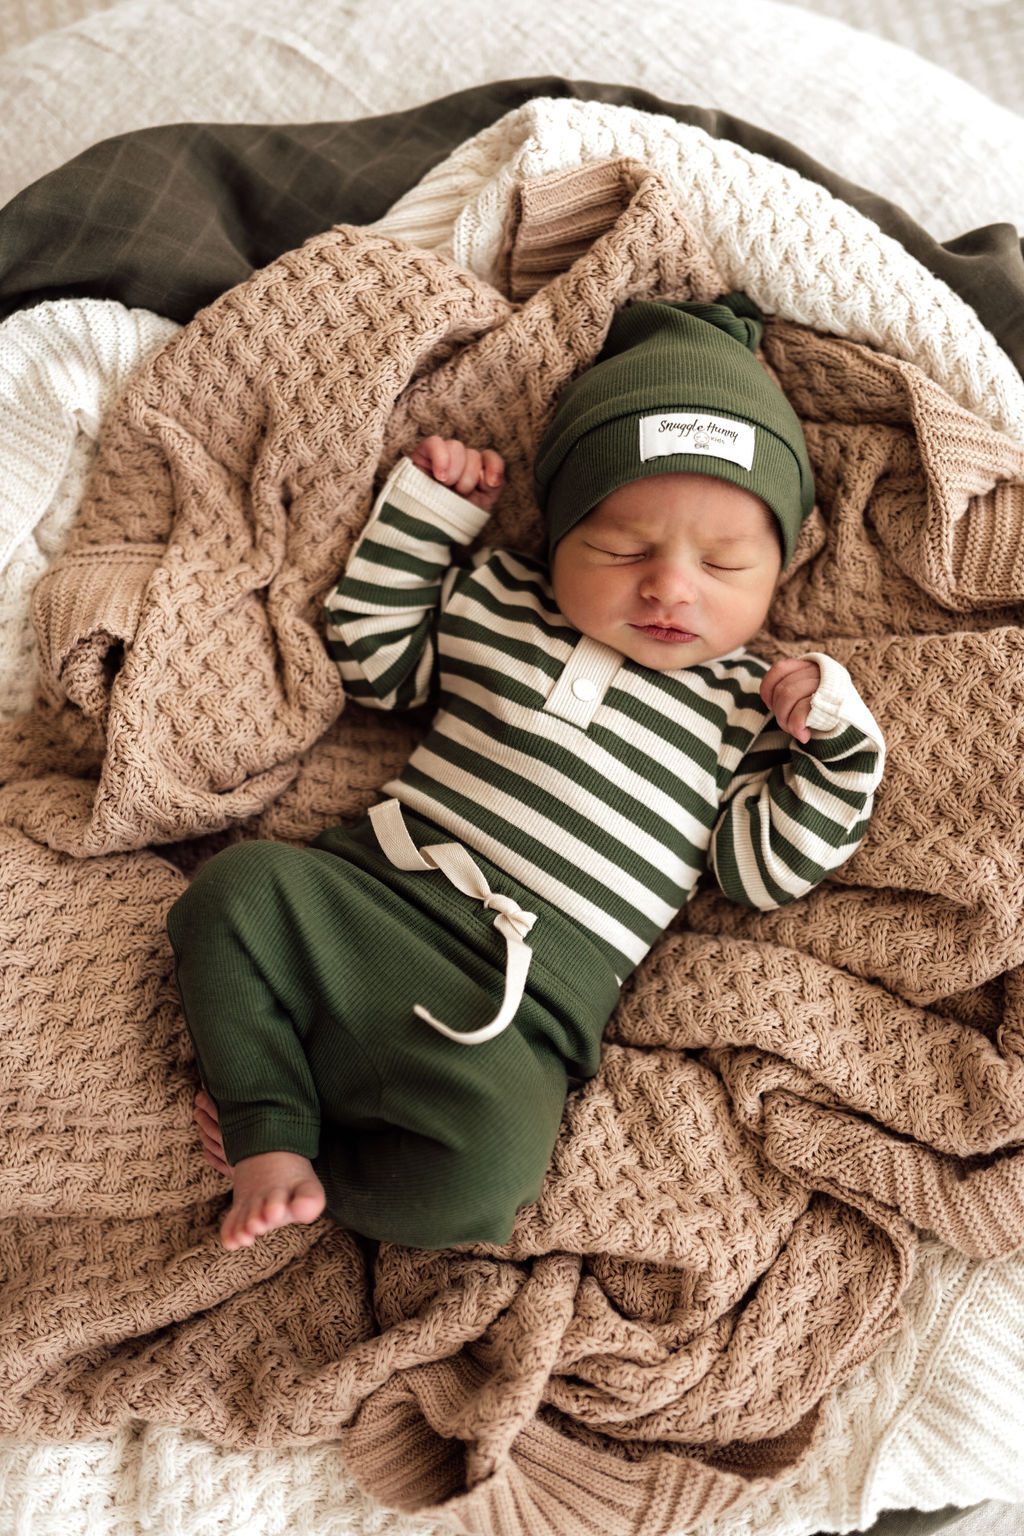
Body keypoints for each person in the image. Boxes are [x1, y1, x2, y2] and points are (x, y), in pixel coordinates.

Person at [168, 293, 885, 1253]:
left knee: (491, 1180)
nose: (670, 586)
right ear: (556, 538)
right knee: (234, 890)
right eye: (624, 547)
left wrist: (836, 739)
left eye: (724, 565)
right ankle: (267, 1123)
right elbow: (375, 663)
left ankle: (317, 1174)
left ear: (780, 569)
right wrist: (429, 519)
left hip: (513, 1015)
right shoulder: (504, 601)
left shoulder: (749, 703)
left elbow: (764, 873)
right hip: (370, 901)